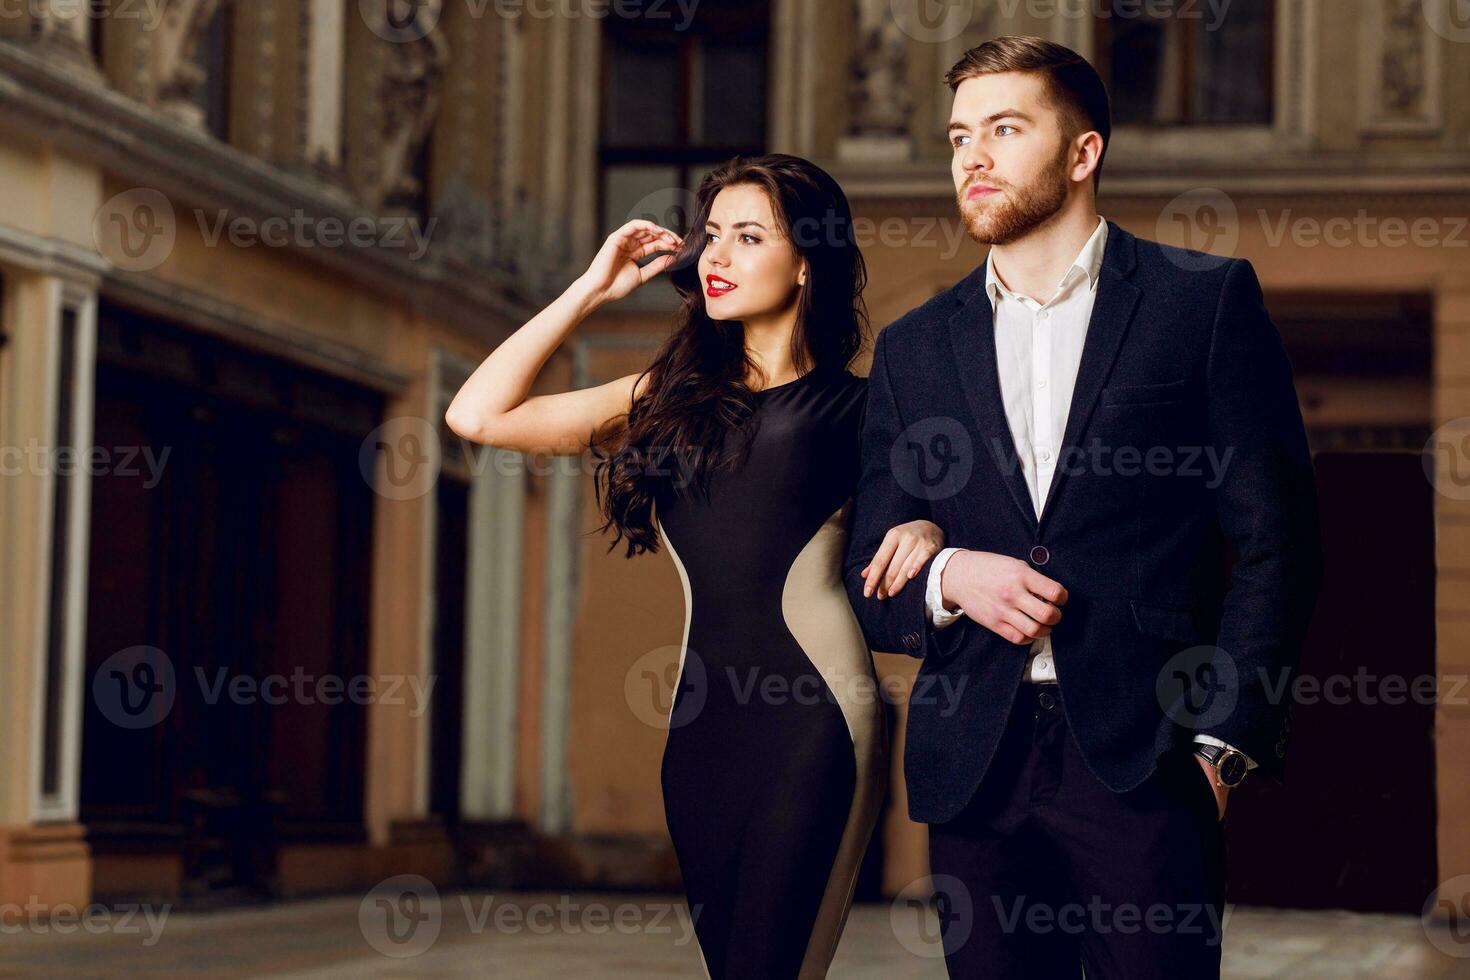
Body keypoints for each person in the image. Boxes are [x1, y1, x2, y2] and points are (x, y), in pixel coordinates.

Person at [842, 36, 1323, 979]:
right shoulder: (913, 348)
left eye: (1004, 129)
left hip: (1148, 756)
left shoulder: (1202, 304)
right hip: (974, 764)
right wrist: (950, 574)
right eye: (957, 137)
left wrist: (1222, 746)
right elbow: (874, 575)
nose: (971, 158)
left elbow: (1277, 542)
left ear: (1082, 152)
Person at [447, 154, 939, 978]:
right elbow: (476, 413)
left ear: (807, 260)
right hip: (700, 735)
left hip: (815, 724)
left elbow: (938, 508)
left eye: (749, 237)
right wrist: (591, 291)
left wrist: (925, 528)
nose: (716, 257)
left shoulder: (867, 407)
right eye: (712, 236)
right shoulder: (667, 401)